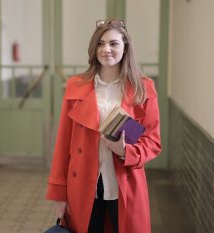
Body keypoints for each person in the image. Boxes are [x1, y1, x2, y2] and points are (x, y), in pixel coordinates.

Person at [46, 19, 161, 233]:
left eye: (114, 43)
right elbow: (63, 144)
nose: (106, 49)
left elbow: (152, 142)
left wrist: (126, 151)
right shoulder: (76, 85)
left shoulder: (143, 88)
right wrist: (59, 195)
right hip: (83, 186)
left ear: (125, 47)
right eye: (100, 43)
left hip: (125, 185)